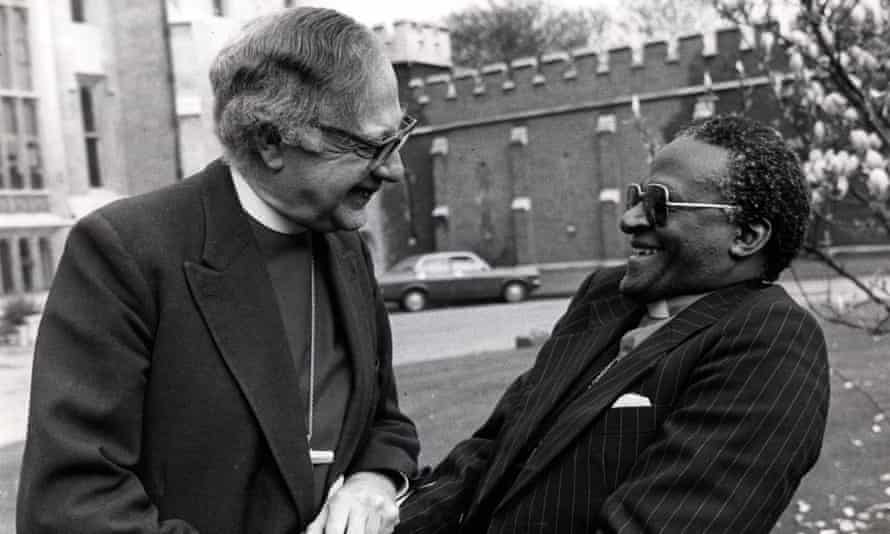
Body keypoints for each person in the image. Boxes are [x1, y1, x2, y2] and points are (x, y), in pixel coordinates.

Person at [17, 7, 419, 534]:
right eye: (370, 146)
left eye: (399, 136)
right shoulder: (127, 251)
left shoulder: (346, 246)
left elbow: (383, 421)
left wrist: (375, 482)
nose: (394, 169)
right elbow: (72, 504)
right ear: (270, 142)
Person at [397, 115, 830, 533]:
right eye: (636, 198)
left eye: (660, 203)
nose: (630, 220)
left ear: (746, 236)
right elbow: (488, 455)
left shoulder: (772, 340)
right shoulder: (605, 297)